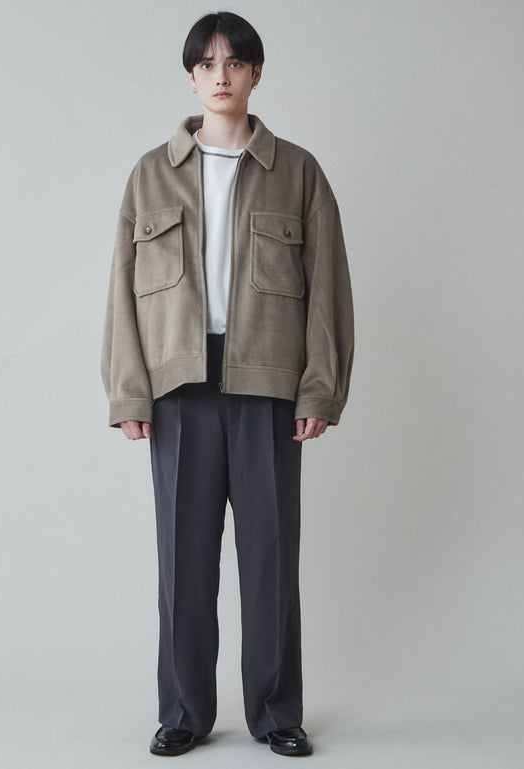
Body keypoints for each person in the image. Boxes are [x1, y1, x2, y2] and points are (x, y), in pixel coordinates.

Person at [100, 11, 354, 757]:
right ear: (191, 77)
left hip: (267, 385)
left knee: (269, 558)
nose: (221, 75)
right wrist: (128, 391)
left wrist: (319, 389)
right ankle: (183, 710)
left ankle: (276, 713)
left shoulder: (298, 172)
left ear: (255, 74)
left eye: (235, 62)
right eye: (207, 63)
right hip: (178, 387)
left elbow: (328, 289)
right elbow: (121, 292)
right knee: (183, 559)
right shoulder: (150, 173)